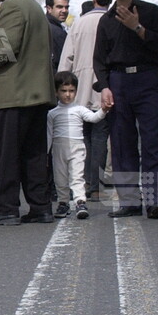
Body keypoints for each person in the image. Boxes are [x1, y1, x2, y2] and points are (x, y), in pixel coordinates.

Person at [93, 0, 158, 218]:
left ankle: (153, 200)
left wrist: (137, 27)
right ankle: (129, 200)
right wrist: (104, 87)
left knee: (151, 140)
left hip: (147, 80)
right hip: (118, 83)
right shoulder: (106, 20)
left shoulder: (152, 12)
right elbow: (99, 58)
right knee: (122, 143)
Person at [0, 0, 55, 225]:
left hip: (12, 94)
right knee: (34, 155)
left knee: (6, 154)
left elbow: (3, 48)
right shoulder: (33, 6)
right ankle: (40, 206)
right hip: (36, 94)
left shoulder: (12, 6)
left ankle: (7, 207)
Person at [58, 0, 112, 201]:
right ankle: (95, 184)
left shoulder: (78, 24)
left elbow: (66, 59)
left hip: (80, 89)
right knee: (101, 136)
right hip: (105, 87)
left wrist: (61, 88)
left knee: (84, 138)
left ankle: (86, 181)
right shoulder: (113, 21)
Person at [48, 71, 107, 219]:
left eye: (71, 91)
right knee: (60, 178)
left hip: (77, 148)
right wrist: (46, 152)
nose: (68, 94)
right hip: (58, 148)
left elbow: (93, 118)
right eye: (63, 91)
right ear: (56, 92)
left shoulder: (79, 109)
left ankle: (80, 202)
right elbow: (48, 134)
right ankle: (63, 203)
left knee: (77, 177)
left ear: (76, 91)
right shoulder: (52, 113)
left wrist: (103, 110)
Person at [45, 0, 70, 71]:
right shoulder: (56, 32)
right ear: (49, 8)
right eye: (59, 7)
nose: (64, 11)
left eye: (66, 7)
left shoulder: (43, 25)